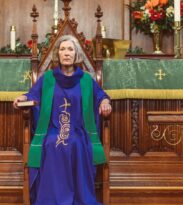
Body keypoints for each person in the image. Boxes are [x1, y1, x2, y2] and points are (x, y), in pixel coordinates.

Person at [13, 35, 112, 205]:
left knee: (77, 144)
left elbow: (101, 95)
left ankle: (78, 198)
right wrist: (22, 97)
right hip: (52, 129)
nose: (66, 53)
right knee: (52, 144)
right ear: (57, 54)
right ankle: (53, 199)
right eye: (63, 49)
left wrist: (104, 102)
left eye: (70, 49)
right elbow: (32, 94)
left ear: (77, 55)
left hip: (78, 129)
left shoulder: (86, 79)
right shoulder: (48, 78)